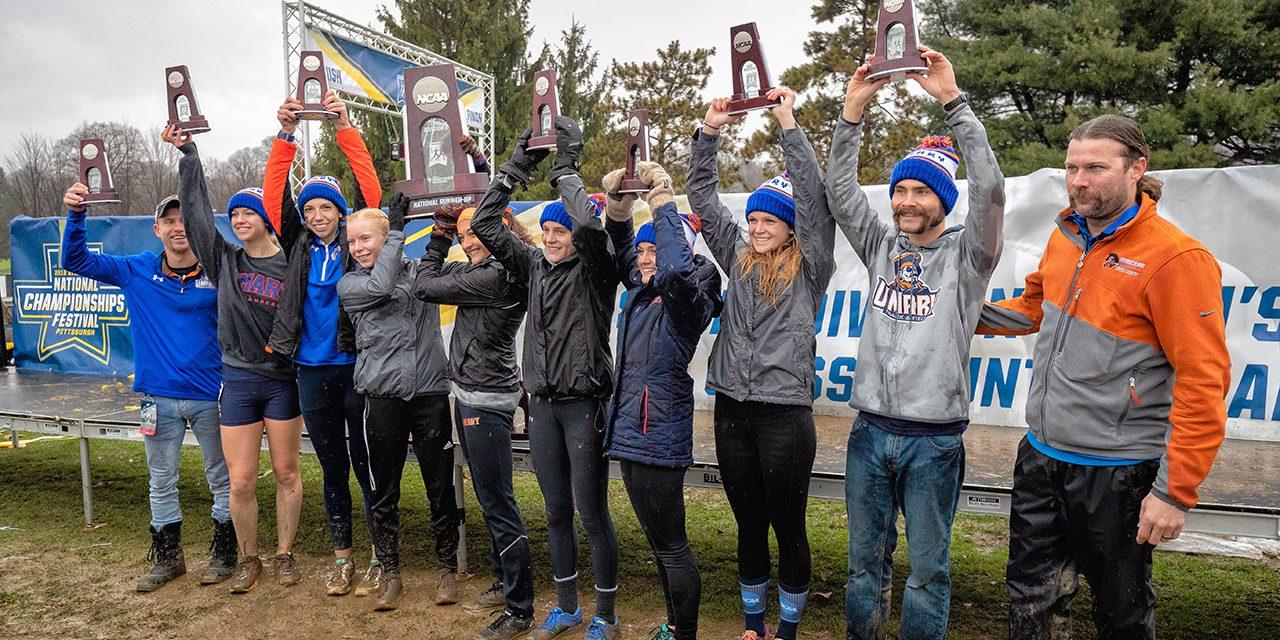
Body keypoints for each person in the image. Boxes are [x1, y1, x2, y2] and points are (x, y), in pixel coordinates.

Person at [977, 114, 1231, 639]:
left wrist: (1174, 492)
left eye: (1095, 167)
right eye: (1072, 167)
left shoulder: (1176, 258)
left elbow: (1204, 381)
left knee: (1120, 615)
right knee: (1032, 599)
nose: (1079, 180)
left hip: (1118, 473)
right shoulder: (1067, 232)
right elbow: (1033, 306)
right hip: (1042, 455)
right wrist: (961, 314)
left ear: (1137, 168)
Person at [827, 47, 1005, 640]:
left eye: (921, 192)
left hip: (933, 445)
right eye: (900, 190)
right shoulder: (880, 247)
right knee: (861, 569)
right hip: (869, 433)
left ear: (942, 203)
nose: (906, 200)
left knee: (928, 574)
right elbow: (841, 193)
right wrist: (852, 112)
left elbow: (991, 191)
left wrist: (953, 103)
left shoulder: (968, 258)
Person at [689, 87, 836, 640]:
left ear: (791, 226)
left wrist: (788, 123)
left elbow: (815, 201)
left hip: (784, 416)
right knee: (748, 525)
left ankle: (790, 629)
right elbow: (701, 198)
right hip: (732, 409)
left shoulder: (811, 266)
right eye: (752, 219)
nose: (756, 226)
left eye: (768, 220)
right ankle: (754, 625)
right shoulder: (736, 257)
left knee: (788, 527)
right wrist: (709, 132)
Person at [472, 119, 625, 640]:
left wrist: (566, 170)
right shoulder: (534, 265)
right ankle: (567, 607)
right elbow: (488, 224)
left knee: (591, 513)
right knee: (556, 511)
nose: (555, 238)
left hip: (583, 406)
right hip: (541, 407)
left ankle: (605, 614)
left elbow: (591, 229)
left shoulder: (597, 270)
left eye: (561, 231)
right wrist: (517, 166)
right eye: (549, 231)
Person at [59, 188, 233, 592]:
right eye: (169, 221)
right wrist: (77, 215)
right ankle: (169, 559)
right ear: (156, 229)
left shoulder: (218, 272)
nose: (179, 228)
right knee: (160, 480)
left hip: (211, 396)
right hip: (157, 397)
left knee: (222, 480)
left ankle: (225, 554)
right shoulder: (136, 269)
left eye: (185, 220)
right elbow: (75, 260)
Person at [166, 125, 303, 594]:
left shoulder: (291, 265)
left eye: (250, 212)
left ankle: (285, 555)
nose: (240, 219)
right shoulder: (224, 260)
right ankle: (250, 559)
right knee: (240, 481)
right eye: (236, 214)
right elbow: (199, 214)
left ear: (268, 219)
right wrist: (189, 156)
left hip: (283, 381)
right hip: (239, 381)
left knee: (287, 473)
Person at [260, 91, 385, 598]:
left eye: (325, 207)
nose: (316, 214)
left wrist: (346, 128)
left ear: (340, 212)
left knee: (366, 464)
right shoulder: (298, 245)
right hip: (310, 370)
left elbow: (371, 195)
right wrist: (286, 136)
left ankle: (382, 555)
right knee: (332, 465)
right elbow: (273, 198)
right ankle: (342, 559)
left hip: (356, 365)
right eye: (309, 208)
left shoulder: (358, 244)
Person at [601, 162, 723, 640]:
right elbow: (620, 251)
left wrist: (663, 200)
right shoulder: (643, 291)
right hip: (631, 434)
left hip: (658, 435)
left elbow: (675, 268)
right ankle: (673, 626)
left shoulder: (687, 296)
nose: (648, 259)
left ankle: (684, 633)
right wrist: (618, 207)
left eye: (656, 249)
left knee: (672, 547)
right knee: (657, 544)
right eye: (645, 250)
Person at [413, 197, 536, 640]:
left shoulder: (498, 276)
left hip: (485, 399)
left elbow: (424, 285)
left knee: (499, 504)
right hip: (472, 392)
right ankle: (506, 585)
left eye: (474, 232)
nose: (468, 241)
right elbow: (434, 280)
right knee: (490, 500)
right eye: (461, 235)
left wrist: (438, 238)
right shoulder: (484, 270)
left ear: (500, 231)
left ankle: (520, 607)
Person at [337, 198, 463, 612]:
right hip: (382, 397)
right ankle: (391, 573)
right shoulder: (351, 285)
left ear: (386, 237)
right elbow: (381, 285)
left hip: (428, 393)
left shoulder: (422, 275)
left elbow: (445, 275)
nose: (356, 247)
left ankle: (447, 569)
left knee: (440, 487)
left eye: (364, 238)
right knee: (383, 491)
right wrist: (393, 231)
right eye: (351, 241)